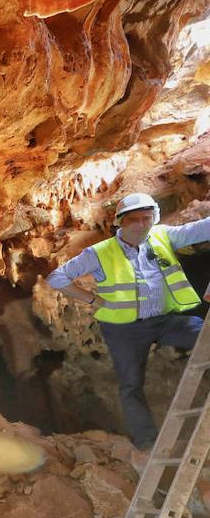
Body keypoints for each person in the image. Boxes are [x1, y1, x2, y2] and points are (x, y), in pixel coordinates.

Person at [45, 192, 210, 450]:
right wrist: (91, 300)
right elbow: (57, 278)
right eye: (135, 219)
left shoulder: (163, 236)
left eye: (148, 218)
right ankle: (146, 441)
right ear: (121, 221)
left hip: (165, 320)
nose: (143, 224)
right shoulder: (99, 253)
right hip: (124, 329)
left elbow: (199, 229)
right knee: (131, 383)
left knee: (205, 336)